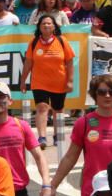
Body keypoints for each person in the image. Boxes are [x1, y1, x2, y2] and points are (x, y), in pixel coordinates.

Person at [51, 75, 112, 196]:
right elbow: (70, 158)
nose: (107, 95)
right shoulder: (83, 123)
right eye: (102, 92)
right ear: (94, 95)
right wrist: (52, 186)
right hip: (92, 191)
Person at [0, 81, 50, 196]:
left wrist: (46, 183)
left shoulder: (21, 126)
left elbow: (39, 156)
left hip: (19, 190)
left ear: (10, 101)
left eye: (2, 96)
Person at [19, 15, 74, 148]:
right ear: (39, 27)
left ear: (54, 26)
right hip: (39, 82)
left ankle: (57, 136)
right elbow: (28, 63)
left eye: (49, 23)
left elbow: (69, 62)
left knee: (58, 110)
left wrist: (70, 81)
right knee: (42, 108)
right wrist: (23, 80)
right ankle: (42, 137)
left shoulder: (62, 41)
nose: (46, 26)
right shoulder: (33, 42)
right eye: (43, 23)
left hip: (59, 82)